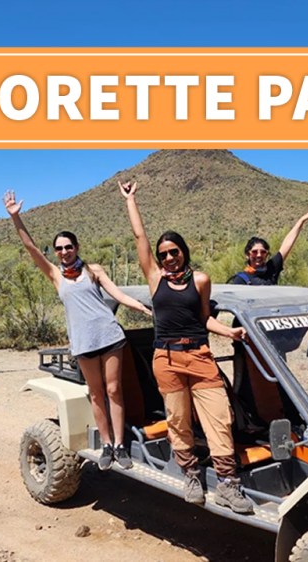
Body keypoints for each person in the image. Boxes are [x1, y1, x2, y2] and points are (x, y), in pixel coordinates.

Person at [120, 180, 254, 514]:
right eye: (163, 254)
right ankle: (190, 474)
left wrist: (229, 332)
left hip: (200, 355)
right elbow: (140, 239)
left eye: (173, 252)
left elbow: (204, 318)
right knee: (177, 419)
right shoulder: (154, 277)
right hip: (165, 357)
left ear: (184, 252)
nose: (167, 257)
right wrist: (131, 201)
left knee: (219, 417)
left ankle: (227, 484)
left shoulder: (200, 280)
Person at [4, 190, 150, 471]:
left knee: (114, 390)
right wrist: (15, 217)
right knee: (96, 394)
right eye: (58, 248)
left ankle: (120, 445)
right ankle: (106, 444)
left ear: (76, 247)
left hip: (109, 336)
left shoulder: (94, 270)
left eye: (68, 247)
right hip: (83, 342)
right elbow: (32, 249)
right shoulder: (56, 276)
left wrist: (141, 308)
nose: (63, 252)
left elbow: (117, 294)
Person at [228, 205, 308, 285]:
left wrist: (301, 221)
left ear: (266, 254)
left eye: (263, 252)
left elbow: (287, 244)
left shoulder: (271, 269)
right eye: (254, 252)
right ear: (247, 254)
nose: (259, 255)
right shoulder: (240, 280)